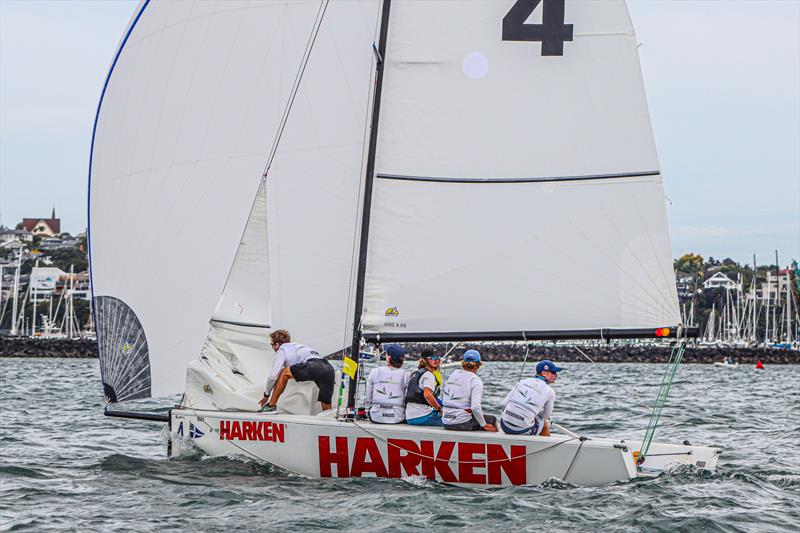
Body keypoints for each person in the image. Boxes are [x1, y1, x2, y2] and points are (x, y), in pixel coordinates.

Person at [259, 329, 335, 412]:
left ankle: (271, 406)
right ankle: (330, 420)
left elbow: (273, 376)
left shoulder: (282, 349)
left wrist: (266, 395)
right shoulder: (299, 346)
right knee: (326, 406)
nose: (272, 348)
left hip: (314, 366)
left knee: (284, 372)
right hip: (329, 368)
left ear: (277, 344)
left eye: (272, 345)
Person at [499, 359, 563, 436]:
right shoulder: (550, 391)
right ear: (544, 373)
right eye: (553, 372)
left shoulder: (522, 382)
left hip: (504, 425)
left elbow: (503, 404)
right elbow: (546, 416)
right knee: (542, 421)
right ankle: (544, 446)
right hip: (521, 431)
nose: (556, 375)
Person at [442, 350, 497, 431]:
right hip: (461, 423)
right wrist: (484, 425)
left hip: (446, 422)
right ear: (478, 365)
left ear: (463, 364)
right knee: (492, 420)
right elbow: (475, 407)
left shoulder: (453, 374)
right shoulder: (475, 381)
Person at [364, 344, 409, 424]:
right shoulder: (406, 374)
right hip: (397, 417)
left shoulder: (374, 371)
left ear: (388, 358)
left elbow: (367, 399)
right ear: (402, 360)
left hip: (376, 416)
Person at [405, 348, 443, 426]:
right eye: (432, 358)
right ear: (424, 360)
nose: (436, 360)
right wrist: (440, 409)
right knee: (452, 420)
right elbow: (428, 396)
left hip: (409, 417)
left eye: (437, 358)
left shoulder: (415, 373)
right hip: (423, 417)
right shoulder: (429, 375)